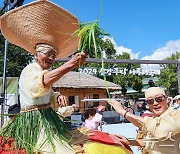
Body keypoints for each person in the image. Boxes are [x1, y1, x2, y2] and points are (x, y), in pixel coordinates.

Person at [0, 1, 87, 154]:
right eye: (47, 54)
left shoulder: (42, 71)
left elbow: (47, 91)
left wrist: (58, 96)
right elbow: (40, 84)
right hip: (35, 123)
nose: (51, 58)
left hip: (48, 119)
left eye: (54, 55)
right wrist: (70, 65)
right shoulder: (30, 69)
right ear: (36, 54)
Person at [108, 87, 180, 154]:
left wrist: (123, 112)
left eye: (159, 99)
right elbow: (150, 142)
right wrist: (129, 141)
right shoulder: (154, 119)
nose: (155, 103)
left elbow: (162, 132)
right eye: (150, 101)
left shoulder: (176, 115)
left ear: (167, 99)